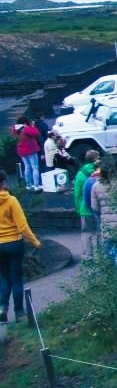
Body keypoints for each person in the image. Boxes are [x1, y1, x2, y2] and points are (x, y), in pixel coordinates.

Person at [0, 170, 42, 323]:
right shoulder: (11, 201)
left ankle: (2, 310)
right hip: (14, 243)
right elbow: (23, 226)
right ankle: (19, 313)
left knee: (4, 279)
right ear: (4, 183)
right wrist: (35, 242)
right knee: (16, 278)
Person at [90, 160, 117, 268]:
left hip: (106, 224)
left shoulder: (96, 186)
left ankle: (111, 270)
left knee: (108, 249)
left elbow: (94, 208)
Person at [12, 116, 42, 191]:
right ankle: (36, 185)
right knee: (35, 167)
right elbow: (37, 133)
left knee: (27, 167)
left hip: (22, 151)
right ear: (25, 122)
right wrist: (31, 126)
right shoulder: (26, 128)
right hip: (31, 150)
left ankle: (28, 185)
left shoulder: (15, 128)